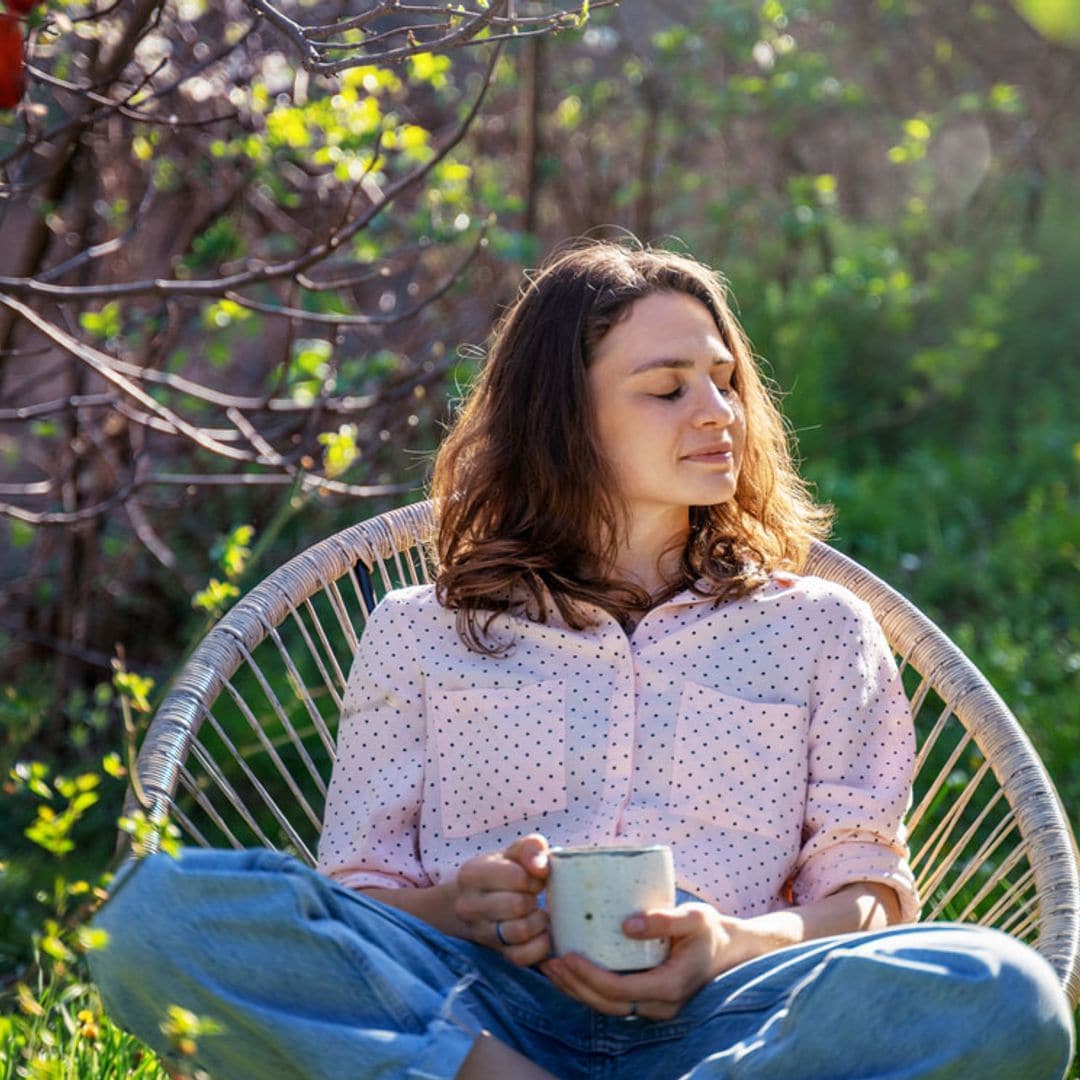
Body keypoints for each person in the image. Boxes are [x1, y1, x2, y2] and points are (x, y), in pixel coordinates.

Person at [89, 241, 1074, 1079]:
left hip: (732, 1023)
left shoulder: (821, 627)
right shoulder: (421, 629)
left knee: (1007, 992)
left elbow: (863, 897)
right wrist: (462, 908)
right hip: (475, 1012)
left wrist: (730, 944)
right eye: (667, 388)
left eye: (726, 380)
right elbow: (358, 898)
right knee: (152, 915)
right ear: (564, 415)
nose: (719, 413)